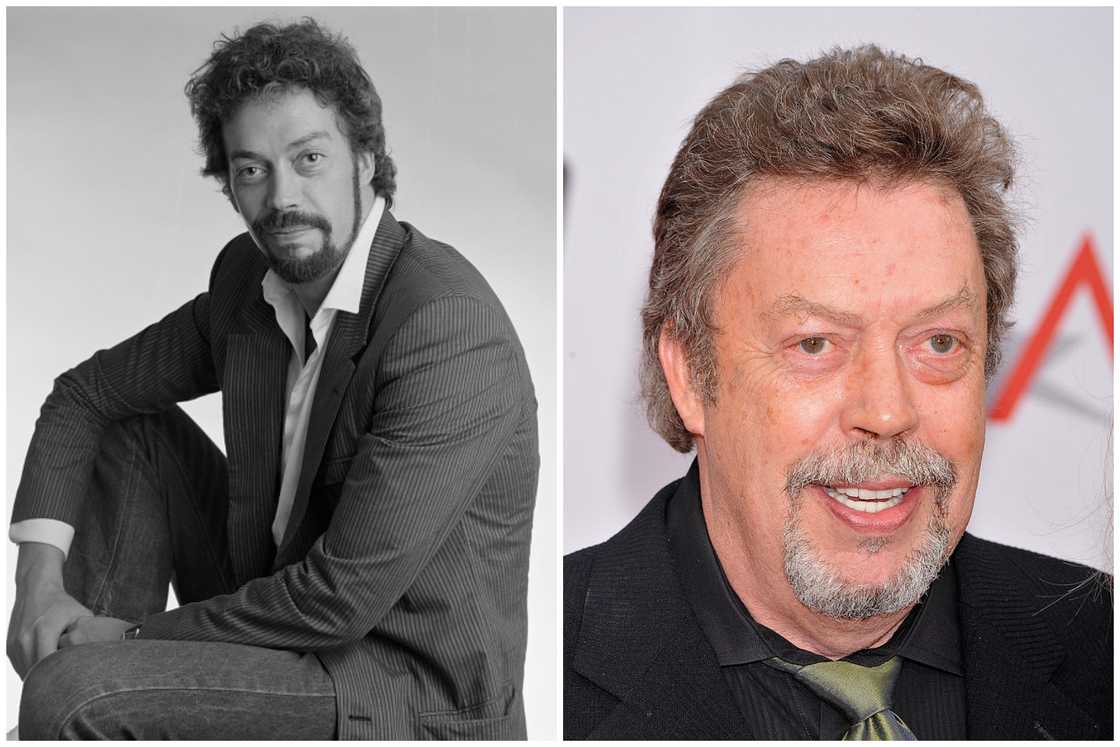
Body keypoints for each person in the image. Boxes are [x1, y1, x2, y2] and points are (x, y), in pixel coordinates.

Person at [8, 18, 538, 740]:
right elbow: (86, 394)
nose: (282, 198)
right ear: (229, 185)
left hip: (392, 685)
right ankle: (83, 656)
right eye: (252, 169)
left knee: (72, 694)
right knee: (131, 429)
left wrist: (128, 639)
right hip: (273, 616)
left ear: (366, 159)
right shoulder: (247, 281)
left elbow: (339, 601)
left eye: (309, 158)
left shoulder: (445, 327)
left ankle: (94, 670)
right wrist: (38, 587)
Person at [564, 45, 1111, 740]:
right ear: (688, 372)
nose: (886, 411)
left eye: (938, 343)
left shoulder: (1102, 649)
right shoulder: (543, 671)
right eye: (815, 344)